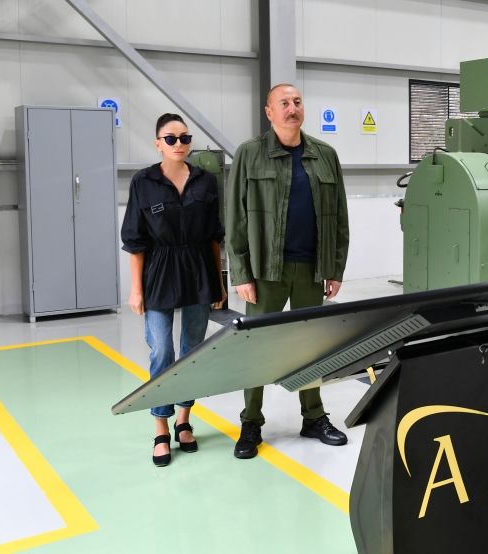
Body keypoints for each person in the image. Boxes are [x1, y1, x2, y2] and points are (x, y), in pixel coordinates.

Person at [227, 82, 350, 459]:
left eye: (297, 102)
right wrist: (240, 273)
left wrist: (336, 267)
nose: (292, 108)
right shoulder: (250, 154)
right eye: (284, 103)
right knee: (258, 348)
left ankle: (313, 417)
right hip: (266, 270)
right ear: (269, 112)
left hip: (312, 268)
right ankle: (251, 422)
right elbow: (235, 217)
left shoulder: (325, 155)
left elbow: (340, 217)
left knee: (312, 347)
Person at [121, 113, 226, 467]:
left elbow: (214, 237)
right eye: (170, 138)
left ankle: (184, 421)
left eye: (184, 138)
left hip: (198, 270)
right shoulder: (144, 182)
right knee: (161, 349)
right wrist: (137, 290)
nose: (179, 144)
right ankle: (161, 427)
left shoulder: (205, 182)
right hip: (159, 271)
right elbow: (135, 241)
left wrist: (220, 282)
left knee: (191, 351)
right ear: (157, 143)